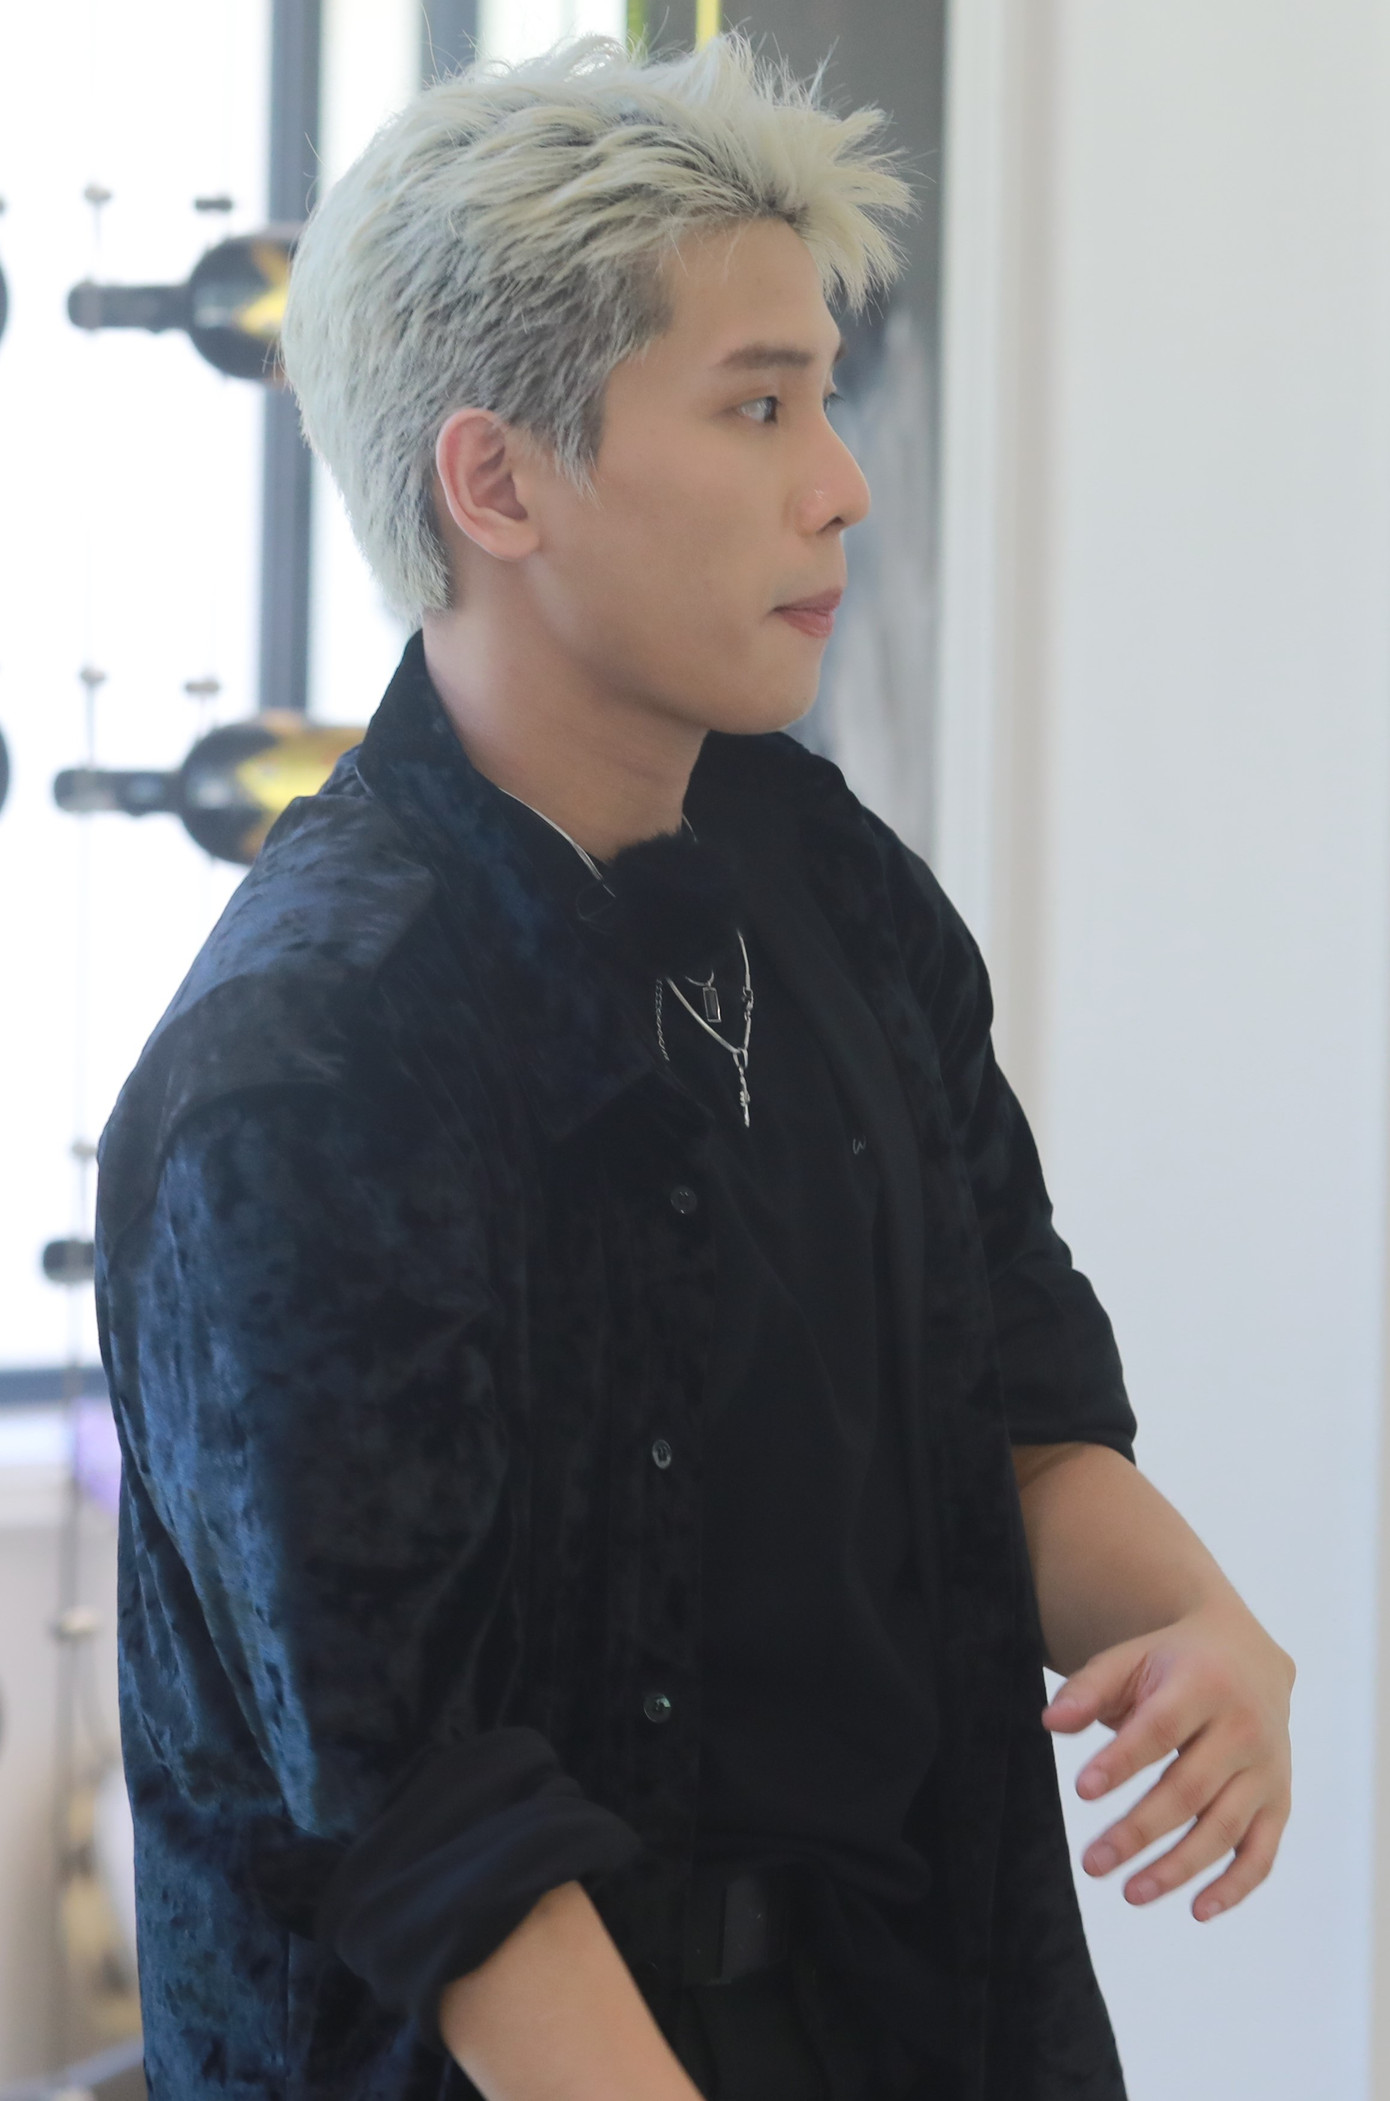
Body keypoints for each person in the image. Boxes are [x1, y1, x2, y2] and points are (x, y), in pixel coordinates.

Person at [94, 34, 1295, 2101]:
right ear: (496, 484)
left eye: (822, 395)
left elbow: (1014, 1416)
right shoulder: (311, 1064)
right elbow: (442, 1838)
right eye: (755, 405)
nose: (838, 481)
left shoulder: (836, 891)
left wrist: (1197, 1625)